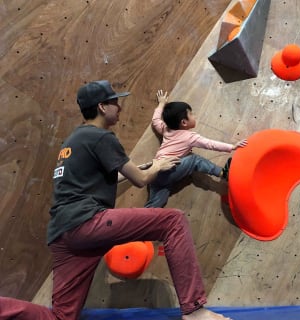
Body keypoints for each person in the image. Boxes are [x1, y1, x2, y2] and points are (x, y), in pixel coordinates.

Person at [0, 80, 231, 320]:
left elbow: (107, 177)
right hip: (86, 222)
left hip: (62, 234)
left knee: (62, 317)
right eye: (115, 103)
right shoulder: (101, 137)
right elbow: (141, 180)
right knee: (173, 221)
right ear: (102, 107)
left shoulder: (72, 141)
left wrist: (142, 167)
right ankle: (194, 310)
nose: (119, 107)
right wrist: (160, 165)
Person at [145, 90, 247, 208]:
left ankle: (145, 219)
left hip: (153, 174)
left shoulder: (165, 129)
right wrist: (232, 146)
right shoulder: (190, 137)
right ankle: (223, 173)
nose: (194, 116)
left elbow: (156, 120)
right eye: (191, 114)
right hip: (167, 171)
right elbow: (210, 144)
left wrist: (161, 104)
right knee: (194, 160)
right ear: (184, 122)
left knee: (156, 203)